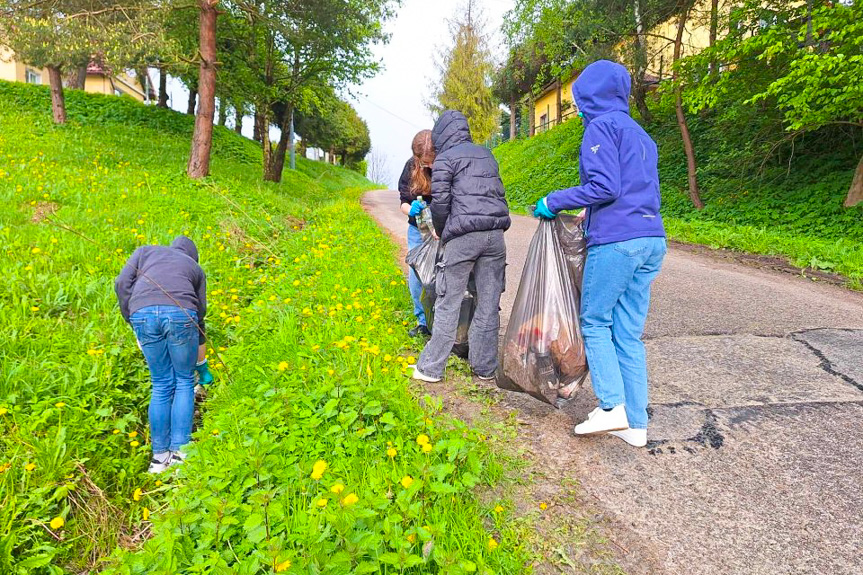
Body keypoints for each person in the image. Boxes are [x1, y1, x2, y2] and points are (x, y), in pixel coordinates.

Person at [534, 60, 666, 448]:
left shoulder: (600, 126)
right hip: (651, 238)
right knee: (628, 334)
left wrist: (553, 200)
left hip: (618, 243)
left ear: (588, 96)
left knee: (593, 321)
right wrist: (588, 212)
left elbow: (605, 186)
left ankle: (611, 407)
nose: (577, 108)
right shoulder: (642, 134)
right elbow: (630, 189)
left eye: (578, 99)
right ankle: (635, 425)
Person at [412, 110, 511, 383]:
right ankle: (484, 367)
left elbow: (441, 204)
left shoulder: (445, 159)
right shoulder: (487, 154)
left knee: (448, 302)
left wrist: (444, 234)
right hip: (495, 236)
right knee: (488, 303)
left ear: (441, 133)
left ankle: (430, 369)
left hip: (463, 237)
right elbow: (498, 193)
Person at [114, 236, 212, 472]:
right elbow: (200, 315)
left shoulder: (145, 252)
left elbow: (121, 283)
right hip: (181, 314)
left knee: (160, 384)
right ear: (192, 255)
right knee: (184, 381)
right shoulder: (194, 267)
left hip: (142, 314)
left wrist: (133, 318)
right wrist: (202, 363)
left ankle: (159, 458)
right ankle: (181, 453)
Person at [398, 129, 435, 337]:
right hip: (417, 230)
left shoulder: (445, 166)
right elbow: (403, 202)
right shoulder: (411, 167)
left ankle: (442, 320)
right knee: (417, 274)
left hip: (440, 231)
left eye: (431, 161)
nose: (428, 165)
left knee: (440, 274)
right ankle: (423, 321)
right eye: (424, 162)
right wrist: (410, 209)